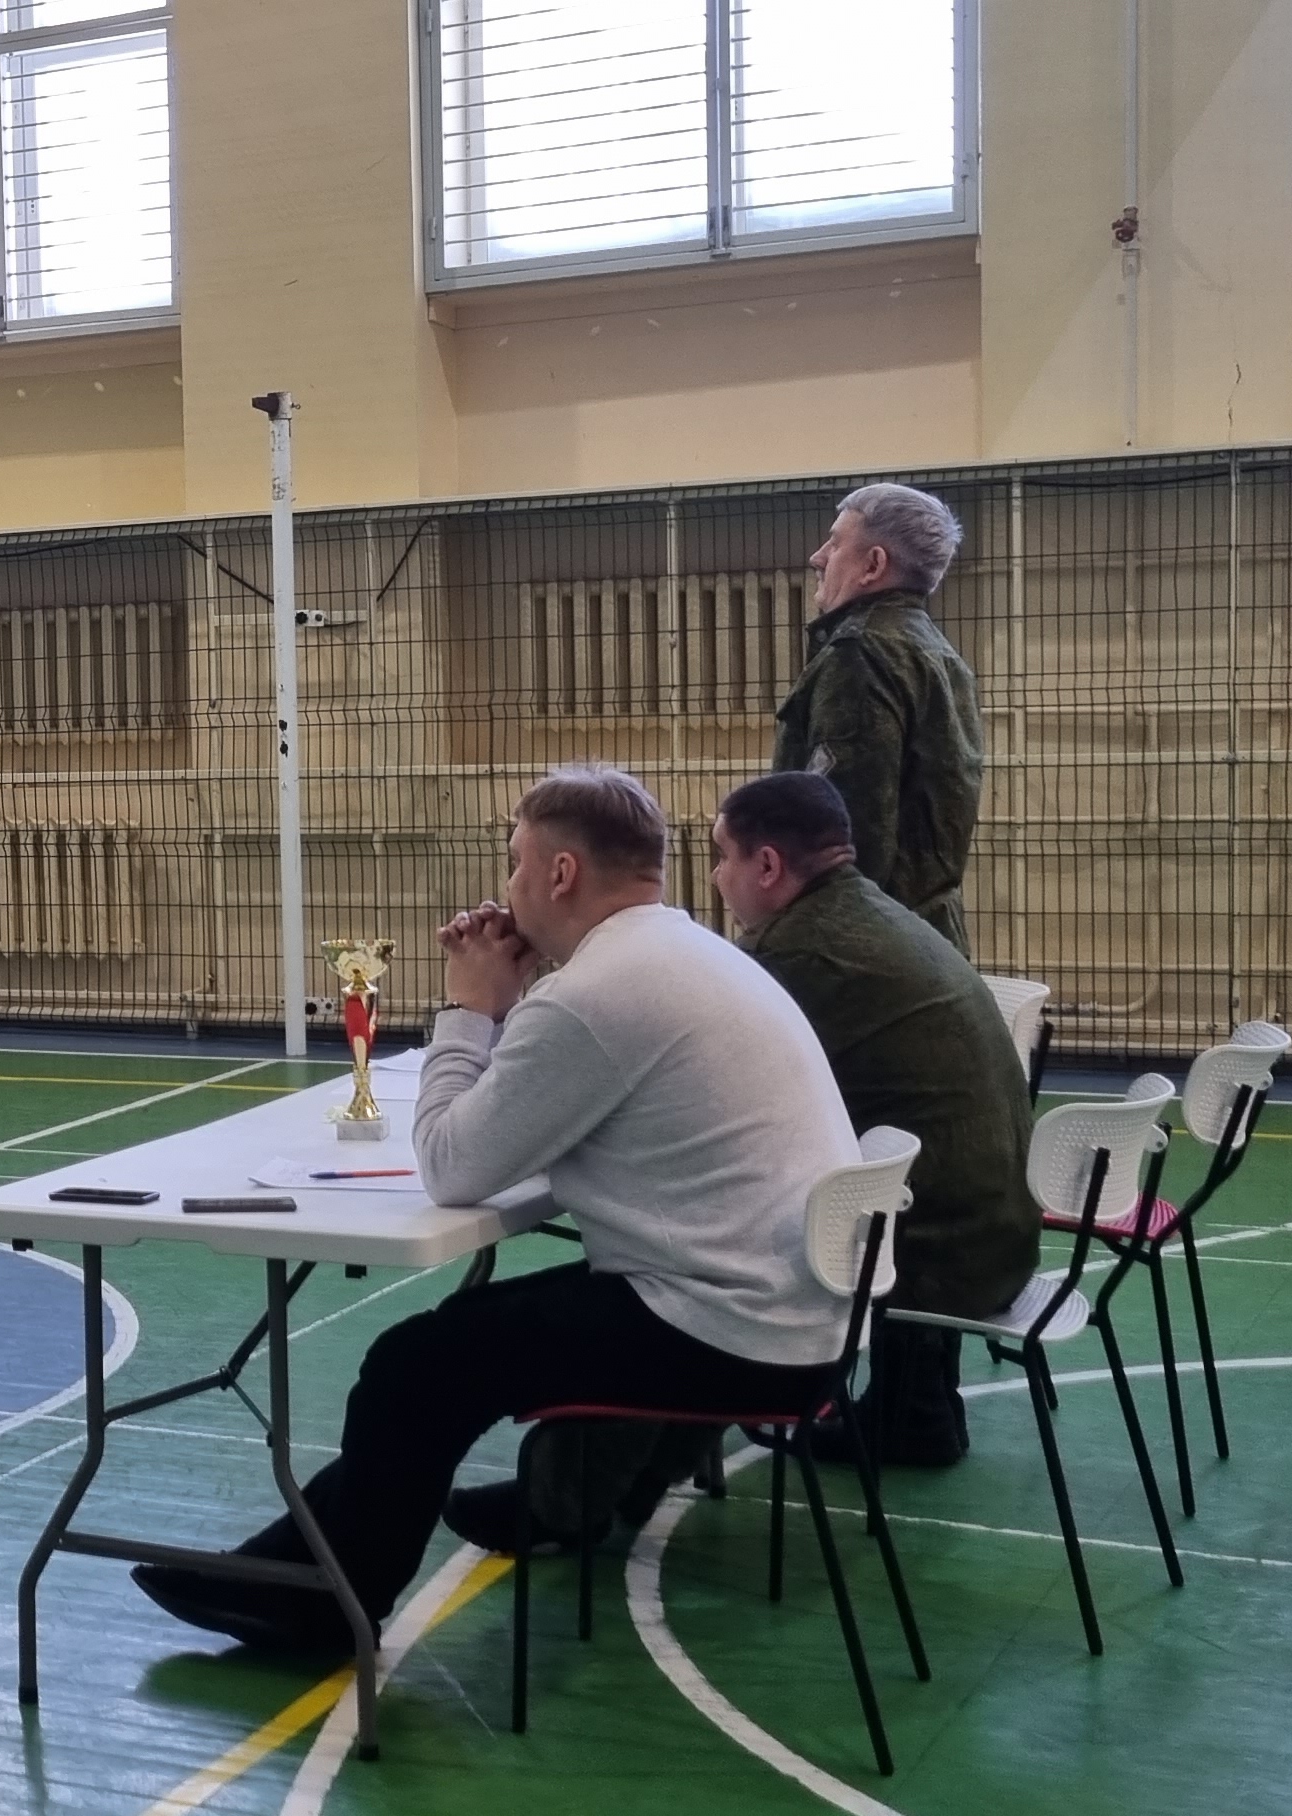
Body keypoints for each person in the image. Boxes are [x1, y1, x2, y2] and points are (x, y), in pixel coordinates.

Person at [129, 765, 858, 1657]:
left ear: (560, 873)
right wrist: (513, 1011)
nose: (507, 886)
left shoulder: (600, 993)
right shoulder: (685, 952)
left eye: (516, 862)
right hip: (799, 1315)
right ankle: (294, 1570)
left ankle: (323, 1605)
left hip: (734, 1332)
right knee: (446, 1347)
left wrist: (469, 1010)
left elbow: (452, 1165)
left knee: (417, 1366)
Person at [708, 771, 1036, 1466]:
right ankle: (917, 1407)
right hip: (998, 1234)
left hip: (939, 1253)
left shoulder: (800, 950)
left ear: (766, 865)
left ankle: (705, 1409)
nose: (715, 877)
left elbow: (707, 1082)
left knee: (720, 1201)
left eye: (722, 856)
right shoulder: (875, 914)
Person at [777, 481, 987, 959]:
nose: (817, 556)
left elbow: (842, 836)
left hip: (861, 954)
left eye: (835, 543)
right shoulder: (937, 652)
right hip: (928, 941)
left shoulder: (860, 656)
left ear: (873, 565)